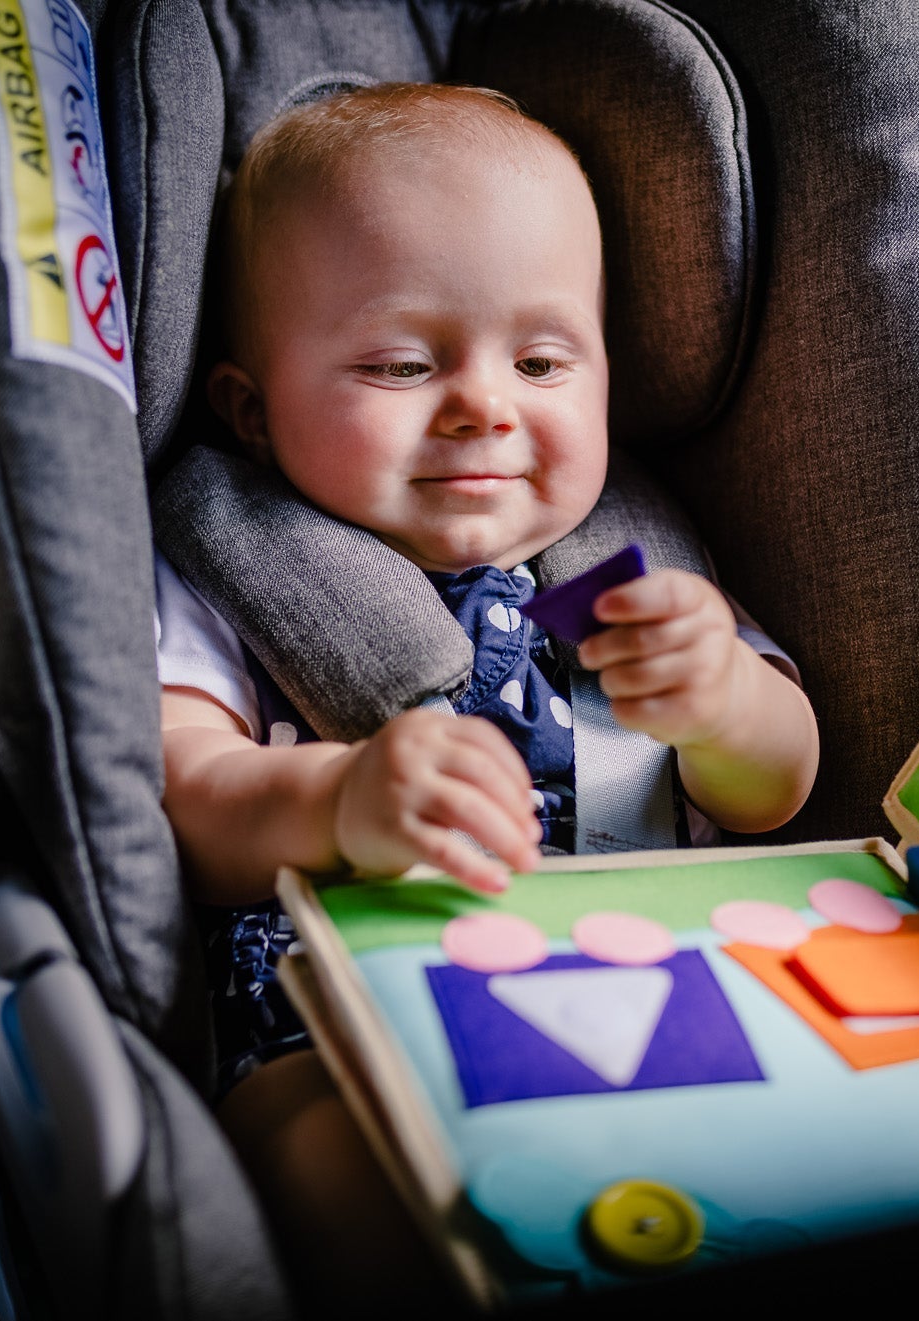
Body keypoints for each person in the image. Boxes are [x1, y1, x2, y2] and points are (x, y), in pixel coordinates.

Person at [153, 83, 819, 1302]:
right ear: (253, 410)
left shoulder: (624, 575)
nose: (484, 403)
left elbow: (778, 792)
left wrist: (721, 701)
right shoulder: (230, 570)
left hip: (651, 984)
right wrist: (338, 796)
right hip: (347, 1014)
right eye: (403, 363)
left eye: (543, 358)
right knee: (331, 1168)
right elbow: (183, 794)